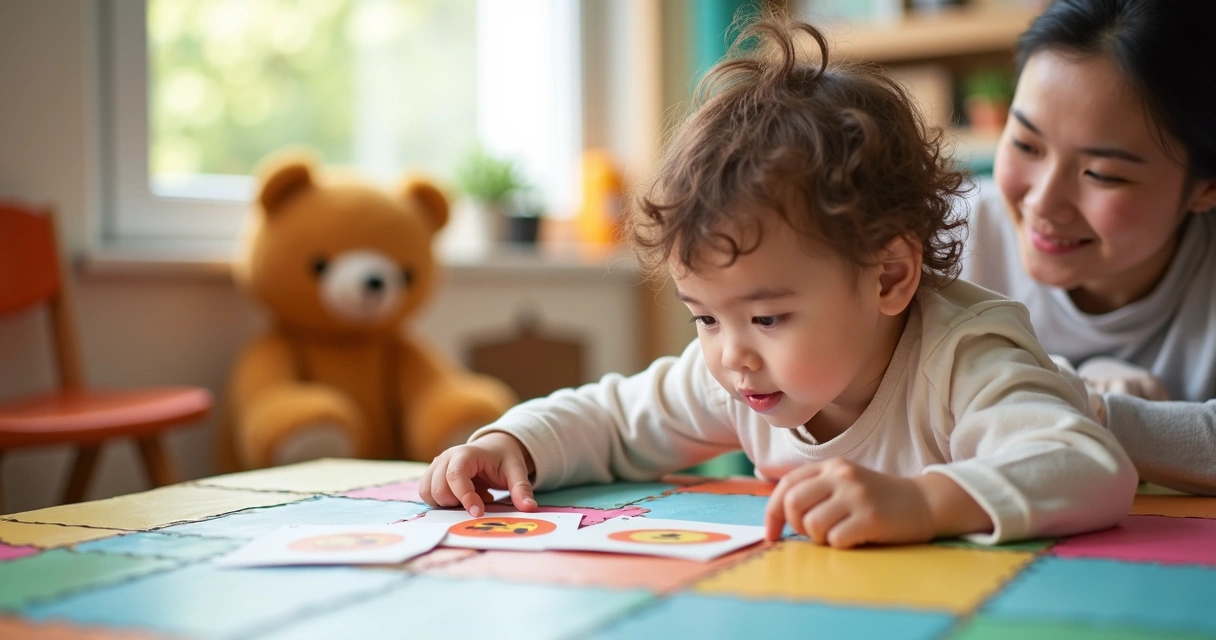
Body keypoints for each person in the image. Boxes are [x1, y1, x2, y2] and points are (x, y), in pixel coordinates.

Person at [421, 13, 1137, 548]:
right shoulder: (737, 372)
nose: (730, 353)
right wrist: (511, 443)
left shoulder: (964, 358)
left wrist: (927, 502)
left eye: (767, 318)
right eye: (703, 317)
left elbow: (1087, 464)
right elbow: (612, 419)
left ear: (889, 275)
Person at [959, 0, 1216, 495]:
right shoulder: (942, 241)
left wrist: (1092, 411)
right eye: (1026, 145)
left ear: (1206, 187)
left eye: (1101, 174)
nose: (1043, 201)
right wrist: (1082, 387)